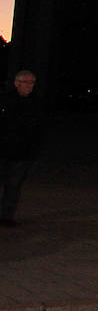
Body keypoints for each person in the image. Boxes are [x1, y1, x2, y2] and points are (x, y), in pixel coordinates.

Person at [0, 69, 43, 227]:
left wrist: (33, 148)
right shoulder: (6, 100)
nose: (30, 86)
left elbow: (38, 128)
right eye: (26, 82)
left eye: (32, 83)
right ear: (17, 83)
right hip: (4, 150)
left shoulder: (35, 103)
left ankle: (6, 217)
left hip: (21, 153)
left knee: (13, 186)